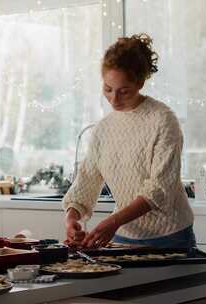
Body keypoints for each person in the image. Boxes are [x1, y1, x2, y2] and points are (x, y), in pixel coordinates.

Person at [62, 33, 195, 249]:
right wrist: (72, 218)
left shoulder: (162, 119)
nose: (114, 99)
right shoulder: (103, 129)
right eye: (107, 89)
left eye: (124, 91)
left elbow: (159, 189)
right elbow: (85, 182)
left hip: (170, 237)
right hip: (123, 236)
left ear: (140, 83)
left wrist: (113, 222)